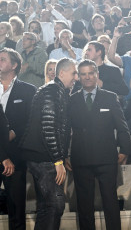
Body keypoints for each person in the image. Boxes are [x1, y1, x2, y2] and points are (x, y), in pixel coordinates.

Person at [68, 59, 131, 230]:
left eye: (91, 73)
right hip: (81, 159)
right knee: (84, 205)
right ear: (79, 77)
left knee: (110, 203)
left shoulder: (110, 97)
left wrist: (125, 149)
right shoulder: (71, 100)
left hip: (107, 158)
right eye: (83, 74)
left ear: (97, 74)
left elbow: (122, 126)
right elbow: (66, 130)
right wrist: (65, 154)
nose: (87, 77)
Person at [20, 58, 78, 230]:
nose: (76, 77)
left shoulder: (58, 91)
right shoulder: (51, 90)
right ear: (62, 73)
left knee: (49, 206)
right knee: (55, 204)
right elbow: (48, 126)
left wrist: (63, 156)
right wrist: (58, 160)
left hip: (45, 155)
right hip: (44, 156)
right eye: (73, 73)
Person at [0, 47, 36, 230]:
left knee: (16, 209)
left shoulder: (29, 91)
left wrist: (15, 132)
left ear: (14, 65)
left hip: (15, 156)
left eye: (2, 59)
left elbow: (32, 120)